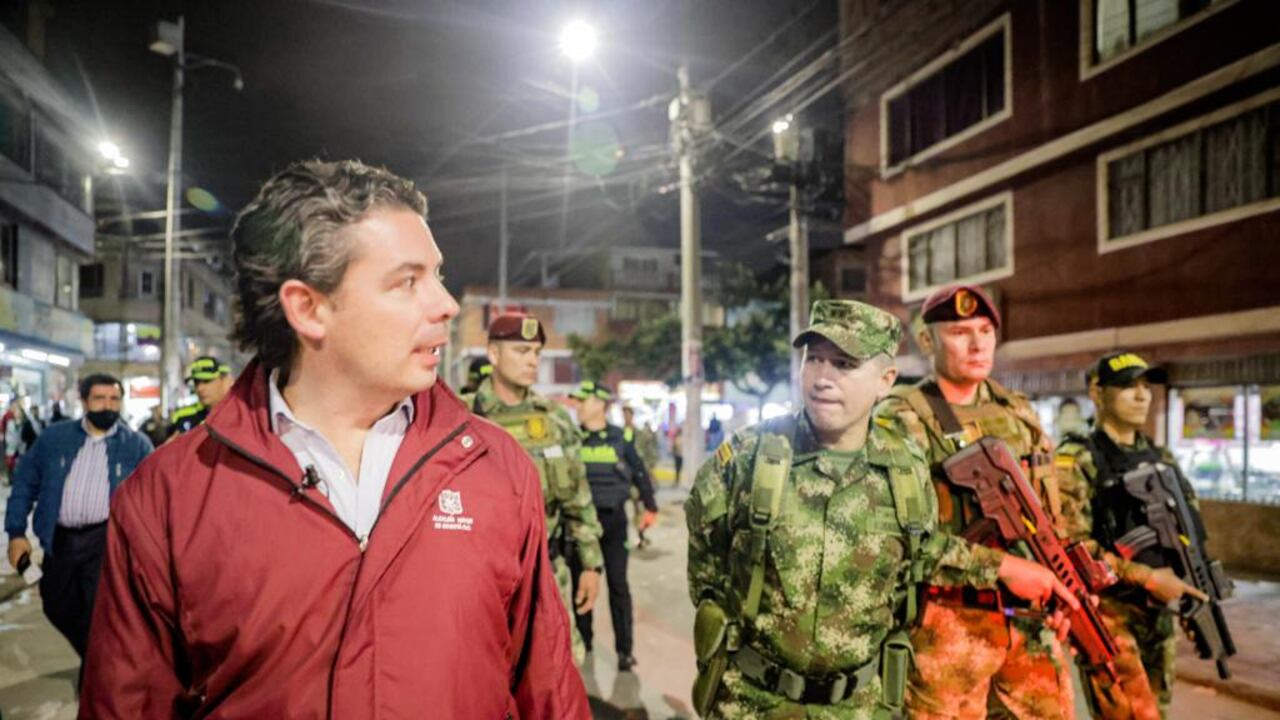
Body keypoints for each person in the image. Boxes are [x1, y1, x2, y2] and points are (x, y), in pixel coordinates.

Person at [81, 160, 588, 718]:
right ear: (309, 308)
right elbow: (126, 703)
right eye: (408, 281)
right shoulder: (169, 496)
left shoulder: (495, 467)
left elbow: (548, 688)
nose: (445, 304)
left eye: (437, 276)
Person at [687, 299, 1078, 718]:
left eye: (844, 364)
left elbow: (923, 551)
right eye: (813, 359)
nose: (823, 378)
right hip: (754, 702)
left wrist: (1004, 569)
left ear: (885, 380)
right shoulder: (749, 457)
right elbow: (706, 574)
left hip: (859, 705)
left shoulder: (903, 466)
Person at [874, 284, 1079, 719]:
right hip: (947, 628)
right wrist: (1002, 567)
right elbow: (891, 539)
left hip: (1030, 626)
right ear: (927, 341)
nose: (977, 343)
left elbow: (1050, 519)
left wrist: (1069, 590)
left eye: (986, 330)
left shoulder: (1018, 414)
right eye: (960, 332)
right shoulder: (901, 419)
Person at [1056, 352, 1209, 719]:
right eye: (1127, 387)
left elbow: (1188, 528)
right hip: (1109, 614)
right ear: (1097, 392)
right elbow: (1073, 548)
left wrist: (1192, 587)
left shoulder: (1162, 457)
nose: (1142, 396)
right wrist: (1147, 577)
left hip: (1157, 613)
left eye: (1146, 386)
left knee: (1159, 710)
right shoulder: (1077, 458)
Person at [462, 312, 605, 666]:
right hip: (480, 581)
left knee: (555, 673)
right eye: (522, 350)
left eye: (537, 352)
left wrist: (591, 564)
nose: (533, 361)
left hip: (547, 573)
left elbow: (578, 496)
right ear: (494, 354)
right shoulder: (462, 418)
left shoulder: (555, 420)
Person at [5, 374, 152, 660]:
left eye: (114, 399)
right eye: (99, 398)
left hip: (105, 540)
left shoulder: (137, 445)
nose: (108, 405)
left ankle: (97, 674)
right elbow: (25, 484)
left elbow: (153, 500)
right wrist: (16, 532)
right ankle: (98, 662)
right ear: (84, 401)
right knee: (56, 604)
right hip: (59, 539)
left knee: (96, 612)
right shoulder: (54, 438)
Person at [568, 381, 657, 671]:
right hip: (581, 525)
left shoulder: (621, 438)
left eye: (584, 401)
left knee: (618, 586)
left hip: (613, 522)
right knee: (581, 584)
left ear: (601, 405)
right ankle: (586, 642)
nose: (579, 406)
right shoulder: (572, 438)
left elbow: (640, 472)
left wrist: (650, 505)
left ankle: (624, 651)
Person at [167, 356, 235, 437]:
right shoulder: (182, 416)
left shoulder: (241, 416)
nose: (199, 388)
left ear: (226, 381)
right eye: (196, 382)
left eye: (207, 381)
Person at [622, 405, 660, 549]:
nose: (626, 416)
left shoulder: (640, 434)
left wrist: (649, 469)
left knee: (639, 506)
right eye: (624, 414)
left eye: (628, 414)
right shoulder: (619, 433)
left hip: (638, 475)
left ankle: (640, 534)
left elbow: (650, 452)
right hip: (624, 476)